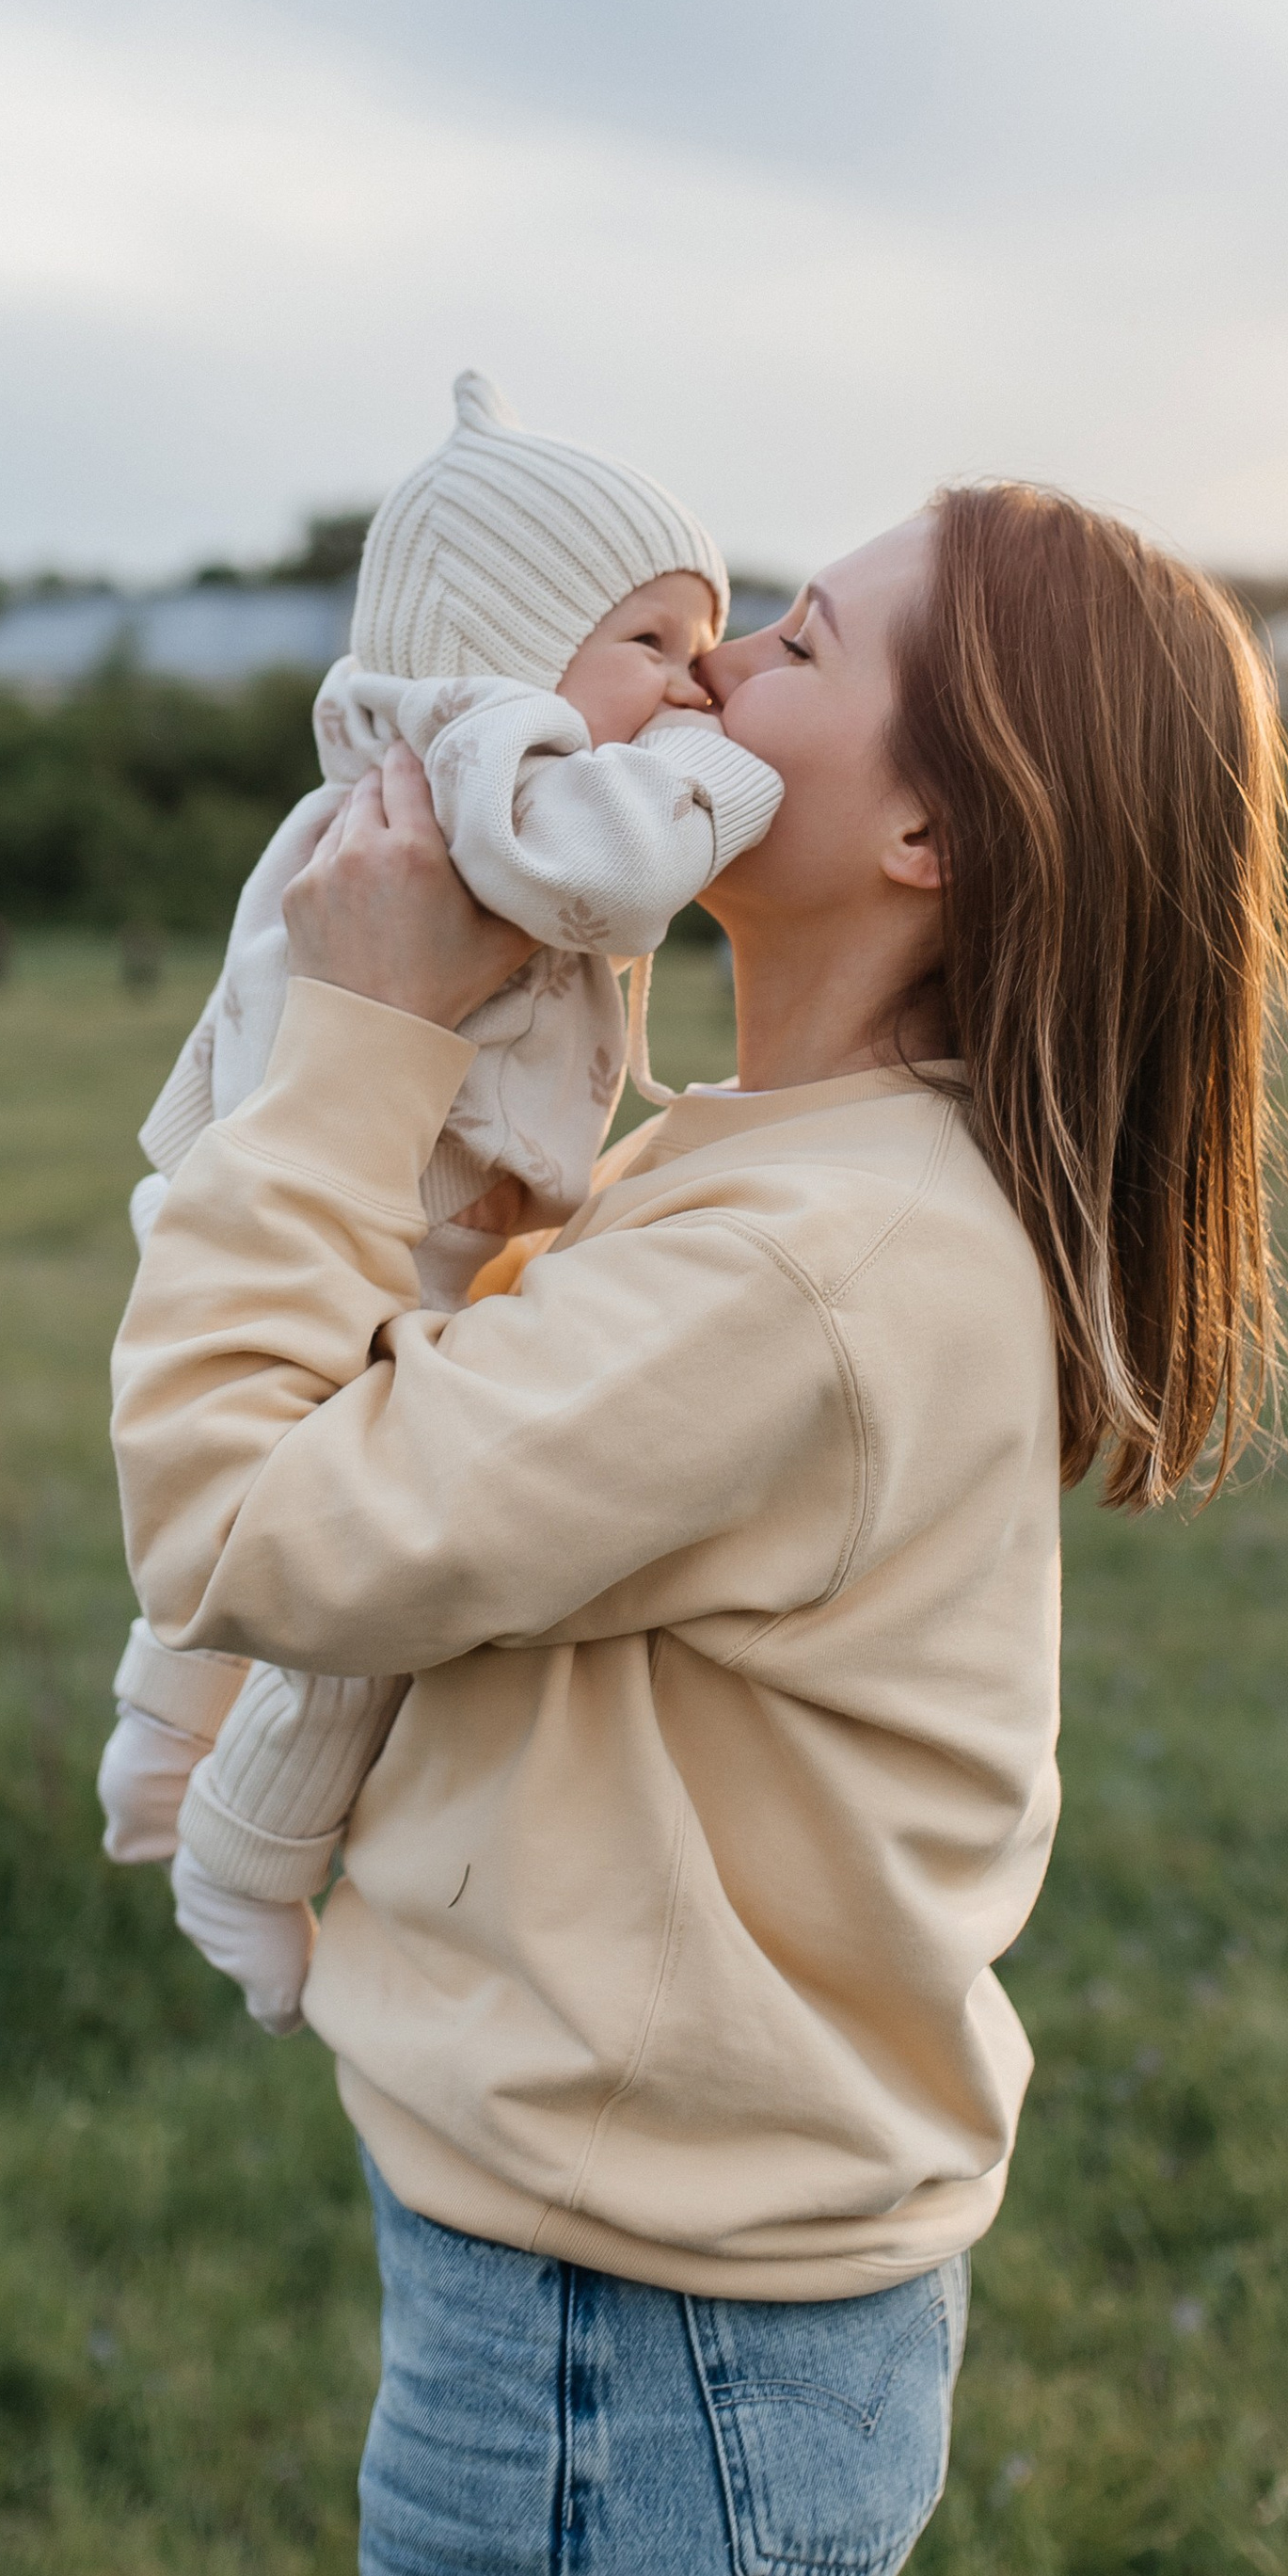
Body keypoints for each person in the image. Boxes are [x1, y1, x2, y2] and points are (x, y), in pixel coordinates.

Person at [109, 483, 1288, 2576]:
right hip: (639, 2283)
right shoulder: (755, 1162)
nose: (709, 669)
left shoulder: (802, 1264)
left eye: (799, 640)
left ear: (937, 826)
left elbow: (240, 1526)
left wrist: (354, 1035)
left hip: (629, 2328)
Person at [97, 372, 783, 2032]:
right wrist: (730, 773)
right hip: (381, 1225)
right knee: (342, 1617)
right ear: (517, 637)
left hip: (345, 1200)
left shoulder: (460, 758)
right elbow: (610, 875)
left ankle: (153, 1738)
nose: (701, 682)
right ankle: (242, 1866)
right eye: (658, 643)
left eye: (713, 642)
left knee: (235, 1533)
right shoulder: (492, 752)